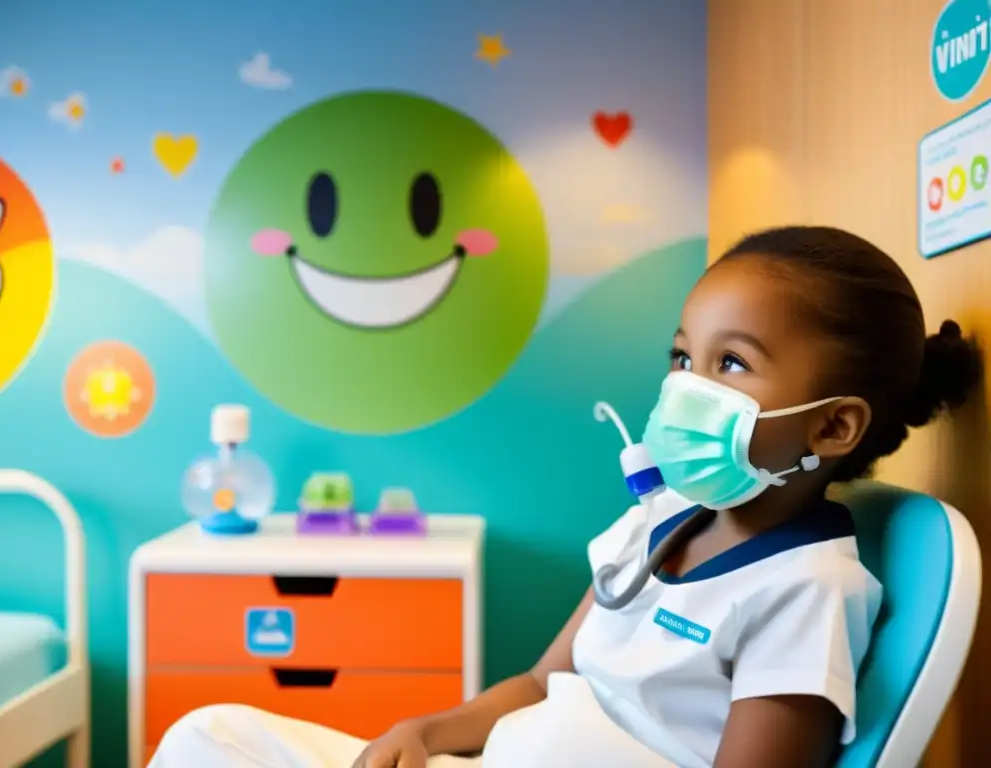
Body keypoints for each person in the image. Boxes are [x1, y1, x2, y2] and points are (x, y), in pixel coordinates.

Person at [147, 226, 981, 768]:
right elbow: (545, 680)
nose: (685, 387)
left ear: (832, 428)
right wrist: (430, 731)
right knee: (204, 737)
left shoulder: (806, 590)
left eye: (733, 364)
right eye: (684, 357)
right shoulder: (657, 521)